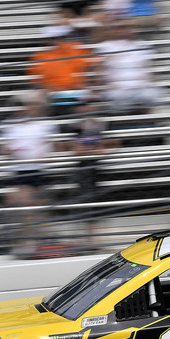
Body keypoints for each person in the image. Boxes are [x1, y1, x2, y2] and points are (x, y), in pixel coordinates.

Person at [0, 90, 59, 256]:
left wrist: (45, 152)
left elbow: (55, 145)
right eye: (24, 105)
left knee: (37, 207)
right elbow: (0, 149)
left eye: (32, 104)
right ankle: (24, 242)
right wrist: (9, 150)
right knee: (19, 207)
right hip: (18, 170)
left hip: (38, 169)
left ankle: (35, 242)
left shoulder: (45, 124)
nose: (28, 108)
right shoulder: (8, 125)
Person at [61, 95, 120, 249]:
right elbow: (68, 147)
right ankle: (89, 238)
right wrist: (92, 148)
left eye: (90, 104)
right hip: (82, 167)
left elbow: (115, 142)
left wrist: (98, 148)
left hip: (98, 167)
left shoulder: (103, 124)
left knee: (97, 203)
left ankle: (95, 238)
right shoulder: (74, 126)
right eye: (84, 105)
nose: (87, 108)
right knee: (85, 202)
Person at [96, 20, 162, 114]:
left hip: (140, 87)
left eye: (126, 27)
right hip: (117, 88)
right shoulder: (105, 46)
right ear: (113, 30)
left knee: (152, 94)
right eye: (119, 28)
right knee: (117, 99)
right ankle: (120, 122)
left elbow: (151, 67)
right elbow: (99, 68)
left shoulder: (143, 44)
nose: (122, 31)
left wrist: (147, 80)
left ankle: (145, 121)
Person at [27, 25, 96, 115]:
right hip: (53, 92)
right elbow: (35, 80)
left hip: (78, 90)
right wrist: (49, 87)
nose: (53, 42)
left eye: (56, 39)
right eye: (51, 39)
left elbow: (95, 64)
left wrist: (88, 82)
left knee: (88, 100)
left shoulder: (77, 48)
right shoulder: (39, 56)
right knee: (39, 98)